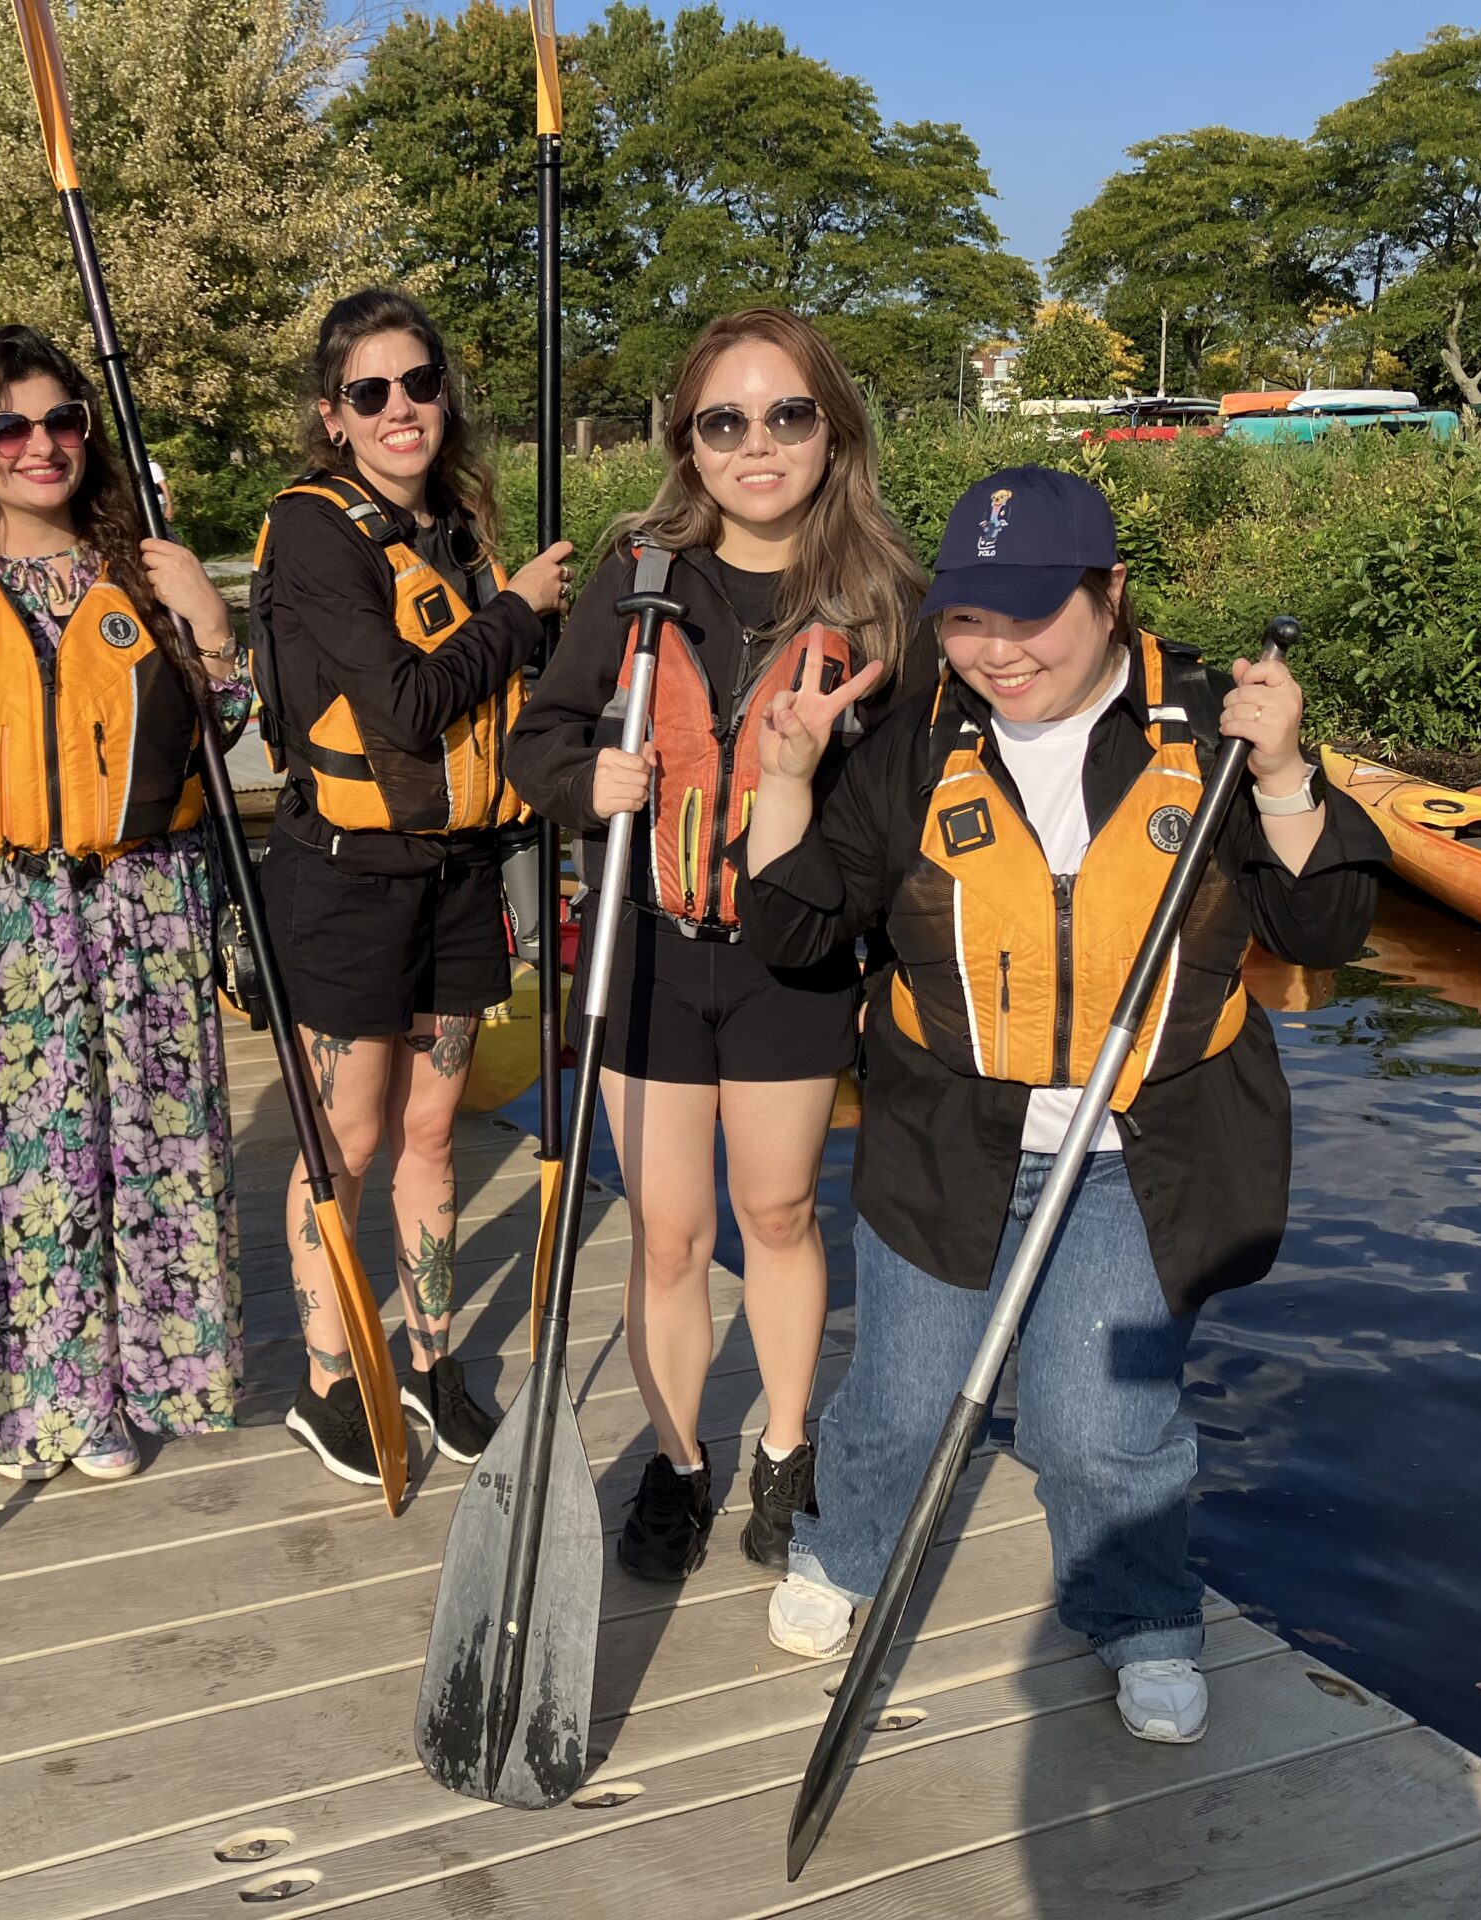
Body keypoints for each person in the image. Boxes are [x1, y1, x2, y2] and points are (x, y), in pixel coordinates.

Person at [738, 464, 1386, 1741]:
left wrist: (1285, 774)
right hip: (947, 1137)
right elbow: (793, 935)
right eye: (970, 618)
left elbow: (1325, 923)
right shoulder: (922, 735)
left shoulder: (1208, 724)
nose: (996, 649)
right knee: (902, 1400)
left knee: (1103, 1426)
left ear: (1111, 593)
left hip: (1140, 1147)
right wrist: (786, 779)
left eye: (1032, 614)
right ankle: (844, 1550)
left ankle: (1140, 1613)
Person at [507, 307, 933, 1581]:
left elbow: (906, 813)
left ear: (833, 430)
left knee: (780, 1208)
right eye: (726, 422)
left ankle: (785, 1449)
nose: (759, 444)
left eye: (788, 415)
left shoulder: (886, 604)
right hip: (646, 944)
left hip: (789, 959)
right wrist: (595, 785)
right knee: (670, 1232)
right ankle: (680, 1456)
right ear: (688, 446)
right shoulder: (637, 575)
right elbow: (540, 742)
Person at [0, 325, 246, 1482]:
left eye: (62, 421)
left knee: (145, 1150)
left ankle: (137, 1381)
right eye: (10, 426)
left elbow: (229, 723)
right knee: (22, 1157)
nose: (40, 445)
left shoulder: (141, 575)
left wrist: (207, 617)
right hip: (2, 916)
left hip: (145, 907)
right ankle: (33, 1399)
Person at [248, 288, 574, 1485]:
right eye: (370, 393)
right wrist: (516, 609)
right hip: (343, 879)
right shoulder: (317, 531)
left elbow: (514, 687)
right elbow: (404, 702)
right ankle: (330, 1375)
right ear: (331, 417)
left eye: (420, 384)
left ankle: (431, 1357)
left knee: (433, 1130)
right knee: (345, 1134)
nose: (402, 410)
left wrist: (548, 622)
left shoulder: (459, 524)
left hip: (456, 873)